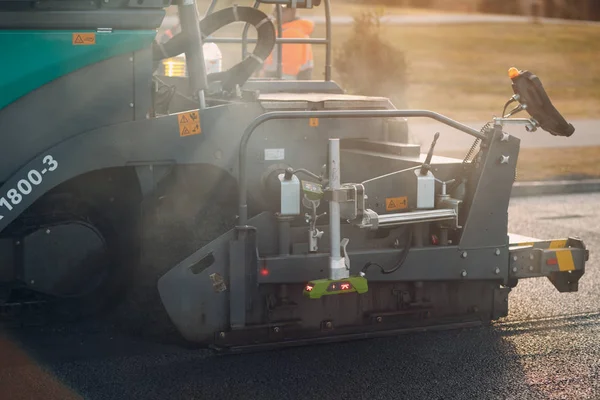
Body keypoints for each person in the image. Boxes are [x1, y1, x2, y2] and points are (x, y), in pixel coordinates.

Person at [261, 6, 315, 80]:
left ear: (292, 11)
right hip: (292, 78)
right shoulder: (295, 29)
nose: (275, 13)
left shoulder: (290, 33)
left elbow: (291, 65)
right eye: (276, 10)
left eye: (281, 10)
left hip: (285, 80)